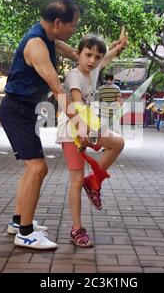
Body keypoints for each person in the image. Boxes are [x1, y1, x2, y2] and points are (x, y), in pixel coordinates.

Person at [0, 0, 81, 250]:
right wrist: (79, 124)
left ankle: (17, 221)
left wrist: (87, 54)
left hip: (23, 111)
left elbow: (67, 49)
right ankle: (25, 233)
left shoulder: (47, 37)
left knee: (32, 168)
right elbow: (57, 88)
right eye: (73, 25)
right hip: (17, 111)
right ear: (58, 22)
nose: (75, 29)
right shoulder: (36, 45)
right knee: (38, 168)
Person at [56, 33, 127, 247]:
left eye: (97, 57)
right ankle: (77, 229)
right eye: (88, 55)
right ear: (78, 54)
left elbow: (108, 58)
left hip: (90, 126)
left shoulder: (94, 70)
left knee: (118, 143)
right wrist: (83, 130)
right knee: (76, 181)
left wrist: (119, 47)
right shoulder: (74, 76)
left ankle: (93, 182)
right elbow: (76, 102)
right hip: (72, 130)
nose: (92, 61)